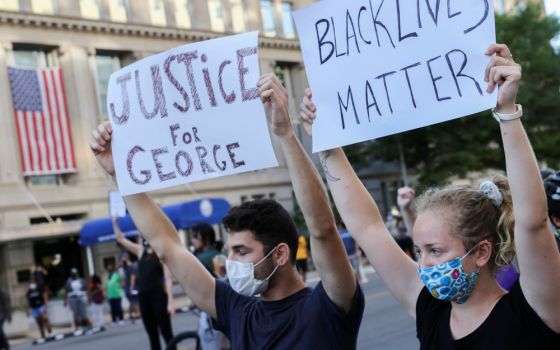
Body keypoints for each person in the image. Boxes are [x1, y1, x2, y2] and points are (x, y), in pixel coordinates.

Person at [299, 43, 560, 348]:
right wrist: (328, 145)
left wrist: (507, 112)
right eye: (420, 252)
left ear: (481, 252)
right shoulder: (430, 309)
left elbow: (533, 221)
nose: (423, 265)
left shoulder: (534, 309)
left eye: (435, 251)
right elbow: (368, 228)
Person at [91, 72, 364, 349]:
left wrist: (285, 133)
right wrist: (122, 174)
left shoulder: (327, 305)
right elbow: (167, 247)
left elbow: (322, 230)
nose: (228, 259)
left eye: (242, 251)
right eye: (231, 249)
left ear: (280, 253)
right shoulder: (237, 309)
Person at [113, 219, 175, 350]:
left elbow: (168, 278)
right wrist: (115, 223)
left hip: (159, 297)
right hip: (144, 298)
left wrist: (170, 302)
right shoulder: (141, 251)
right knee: (152, 335)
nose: (140, 234)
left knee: (167, 333)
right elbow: (121, 239)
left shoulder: (161, 252)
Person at [190, 223, 230, 350]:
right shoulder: (220, 255)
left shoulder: (200, 259)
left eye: (195, 236)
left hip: (210, 311)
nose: (192, 240)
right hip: (228, 307)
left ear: (205, 238)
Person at [120, 253, 140, 320]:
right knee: (133, 301)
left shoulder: (131, 266)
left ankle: (136, 314)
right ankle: (133, 314)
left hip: (132, 287)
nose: (122, 260)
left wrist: (131, 287)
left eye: (123, 258)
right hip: (128, 287)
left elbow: (133, 277)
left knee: (135, 301)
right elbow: (125, 278)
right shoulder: (125, 267)